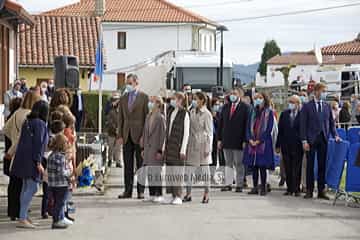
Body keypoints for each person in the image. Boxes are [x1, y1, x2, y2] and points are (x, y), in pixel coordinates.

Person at [10, 100, 49, 229]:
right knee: (32, 188)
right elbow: (38, 144)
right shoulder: (40, 124)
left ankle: (24, 216)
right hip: (31, 160)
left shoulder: (28, 121)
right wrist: (38, 162)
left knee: (25, 188)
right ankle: (22, 218)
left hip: (22, 158)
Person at [3, 92, 40, 221]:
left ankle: (12, 211)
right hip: (22, 153)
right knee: (24, 185)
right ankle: (21, 213)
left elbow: (5, 130)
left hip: (14, 152)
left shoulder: (17, 113)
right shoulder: (29, 116)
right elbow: (22, 137)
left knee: (13, 184)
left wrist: (12, 142)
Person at [300, 83, 340, 200]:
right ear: (316, 91)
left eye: (325, 91)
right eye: (323, 91)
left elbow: (331, 124)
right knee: (310, 166)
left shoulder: (327, 106)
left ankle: (321, 190)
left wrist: (336, 136)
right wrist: (304, 141)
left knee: (322, 165)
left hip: (323, 139)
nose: (324, 93)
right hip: (311, 140)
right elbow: (303, 125)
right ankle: (309, 190)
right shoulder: (307, 106)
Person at [117, 74, 149, 199]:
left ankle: (140, 191)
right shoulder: (123, 98)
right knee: (127, 164)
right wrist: (120, 135)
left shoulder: (144, 97)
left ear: (136, 82)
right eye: (127, 83)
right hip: (126, 135)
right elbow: (121, 119)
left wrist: (144, 137)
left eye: (130, 83)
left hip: (139, 135)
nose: (127, 85)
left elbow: (147, 119)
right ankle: (127, 190)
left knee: (141, 164)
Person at [217, 87, 249, 192]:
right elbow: (221, 124)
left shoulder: (245, 108)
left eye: (234, 93)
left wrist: (245, 140)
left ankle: (239, 184)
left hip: (239, 140)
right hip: (226, 140)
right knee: (228, 163)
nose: (232, 95)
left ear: (239, 95)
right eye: (231, 93)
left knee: (239, 163)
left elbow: (246, 125)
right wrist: (219, 139)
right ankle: (228, 183)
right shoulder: (225, 107)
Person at [183, 92, 213, 204]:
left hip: (202, 144)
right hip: (191, 144)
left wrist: (208, 148)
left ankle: (206, 194)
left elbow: (210, 133)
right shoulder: (191, 112)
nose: (193, 101)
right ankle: (188, 194)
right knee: (189, 171)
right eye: (193, 99)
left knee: (205, 172)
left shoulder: (207, 114)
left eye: (195, 99)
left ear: (202, 100)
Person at [244, 92, 275, 196]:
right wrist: (250, 139)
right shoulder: (252, 111)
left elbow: (269, 129)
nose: (258, 99)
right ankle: (255, 187)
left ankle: (263, 187)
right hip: (252, 143)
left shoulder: (269, 112)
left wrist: (260, 140)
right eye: (256, 98)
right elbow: (248, 127)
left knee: (262, 166)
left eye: (260, 98)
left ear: (264, 99)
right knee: (254, 166)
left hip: (263, 144)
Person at [163, 92, 190, 205]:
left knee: (177, 172)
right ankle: (173, 194)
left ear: (180, 100)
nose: (172, 101)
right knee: (170, 172)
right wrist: (164, 146)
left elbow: (186, 133)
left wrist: (183, 149)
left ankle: (178, 195)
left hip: (178, 147)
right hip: (170, 146)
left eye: (174, 99)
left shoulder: (185, 114)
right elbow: (167, 131)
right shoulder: (171, 112)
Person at [276, 95, 303, 197]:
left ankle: (296, 189)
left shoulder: (302, 114)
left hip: (298, 145)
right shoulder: (284, 114)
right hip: (286, 144)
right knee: (288, 167)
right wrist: (278, 145)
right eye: (289, 102)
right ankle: (289, 188)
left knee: (297, 167)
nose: (291, 104)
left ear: (298, 103)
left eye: (293, 102)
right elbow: (280, 131)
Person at [141, 96, 166, 203]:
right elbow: (145, 133)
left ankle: (159, 194)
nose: (149, 103)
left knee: (156, 172)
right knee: (150, 172)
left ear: (158, 104)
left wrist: (161, 150)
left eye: (152, 102)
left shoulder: (161, 118)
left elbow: (163, 135)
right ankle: (151, 194)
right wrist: (143, 148)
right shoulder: (148, 116)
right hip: (148, 149)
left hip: (156, 149)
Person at [47, 133, 73, 229]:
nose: (67, 144)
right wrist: (70, 172)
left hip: (52, 184)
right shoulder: (60, 157)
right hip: (61, 184)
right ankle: (57, 220)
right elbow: (62, 172)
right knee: (60, 203)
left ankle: (61, 218)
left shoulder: (51, 155)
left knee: (58, 202)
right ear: (62, 144)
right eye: (66, 142)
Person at [210, 98, 225, 183]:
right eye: (216, 104)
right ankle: (211, 176)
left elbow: (220, 126)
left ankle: (220, 177)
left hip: (218, 139)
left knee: (219, 159)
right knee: (211, 159)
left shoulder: (219, 114)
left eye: (218, 104)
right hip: (211, 139)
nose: (217, 106)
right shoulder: (209, 114)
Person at [106, 92, 122, 168]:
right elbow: (110, 122)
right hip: (111, 132)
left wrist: (120, 129)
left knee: (118, 148)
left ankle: (118, 162)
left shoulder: (122, 113)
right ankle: (109, 160)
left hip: (119, 134)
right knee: (111, 147)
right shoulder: (111, 112)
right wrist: (115, 129)